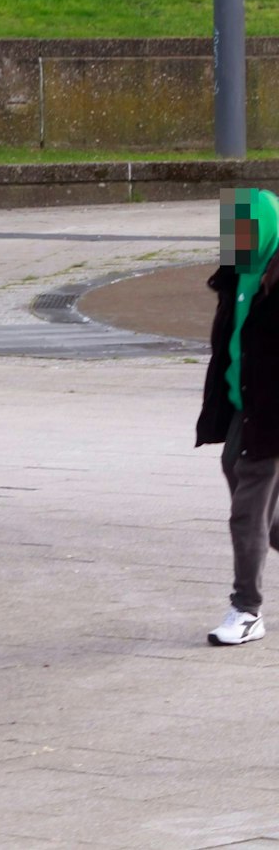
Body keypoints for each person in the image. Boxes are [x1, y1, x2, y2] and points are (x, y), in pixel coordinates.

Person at [198, 188, 279, 647]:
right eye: (233, 231)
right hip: (241, 405)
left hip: (270, 414)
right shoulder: (236, 275)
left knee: (248, 513)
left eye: (247, 231)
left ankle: (246, 610)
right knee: (256, 502)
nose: (238, 240)